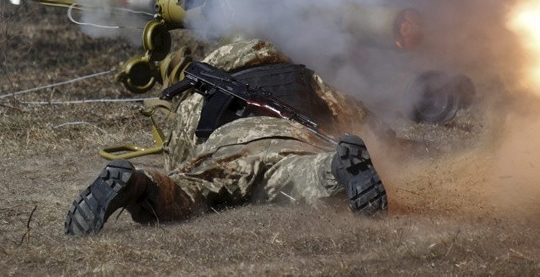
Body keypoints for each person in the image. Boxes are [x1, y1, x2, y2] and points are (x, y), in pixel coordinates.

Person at [65, 39, 391, 236]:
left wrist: (178, 173)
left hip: (224, 148)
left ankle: (136, 184)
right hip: (291, 141)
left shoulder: (200, 91)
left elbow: (182, 145)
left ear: (224, 57)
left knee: (185, 189)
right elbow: (352, 115)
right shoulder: (305, 77)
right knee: (308, 178)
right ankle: (336, 169)